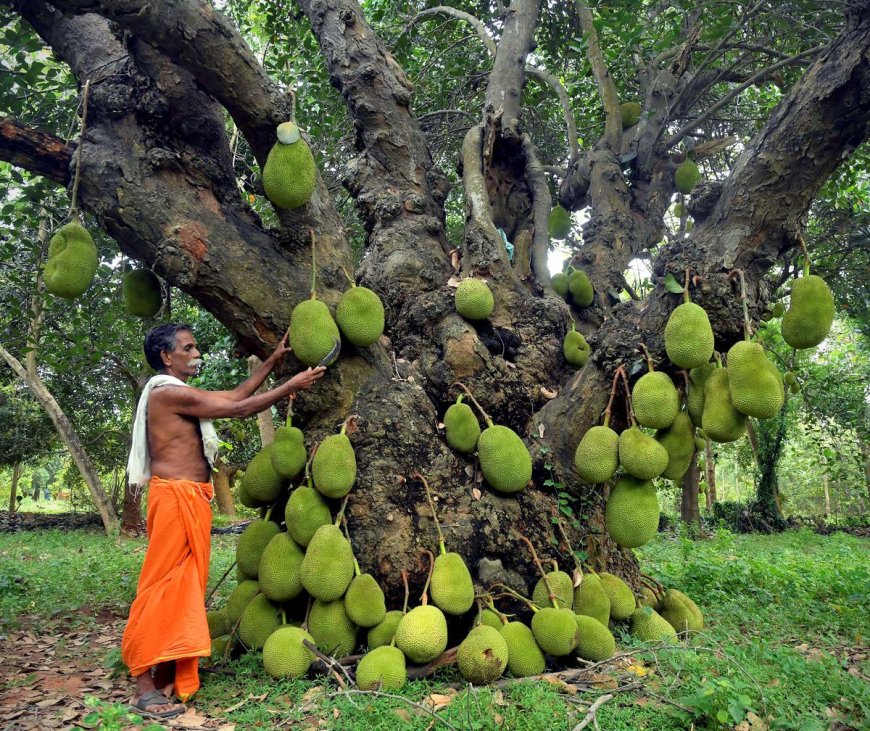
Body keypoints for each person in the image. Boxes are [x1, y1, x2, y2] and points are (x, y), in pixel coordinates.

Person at [122, 323, 325, 719]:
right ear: (167, 356)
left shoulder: (180, 393)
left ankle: (167, 667)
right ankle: (143, 685)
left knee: (185, 585)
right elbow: (236, 408)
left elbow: (234, 395)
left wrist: (270, 363)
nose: (197, 353)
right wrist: (292, 386)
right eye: (189, 347)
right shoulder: (165, 393)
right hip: (174, 498)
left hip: (193, 499)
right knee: (161, 586)